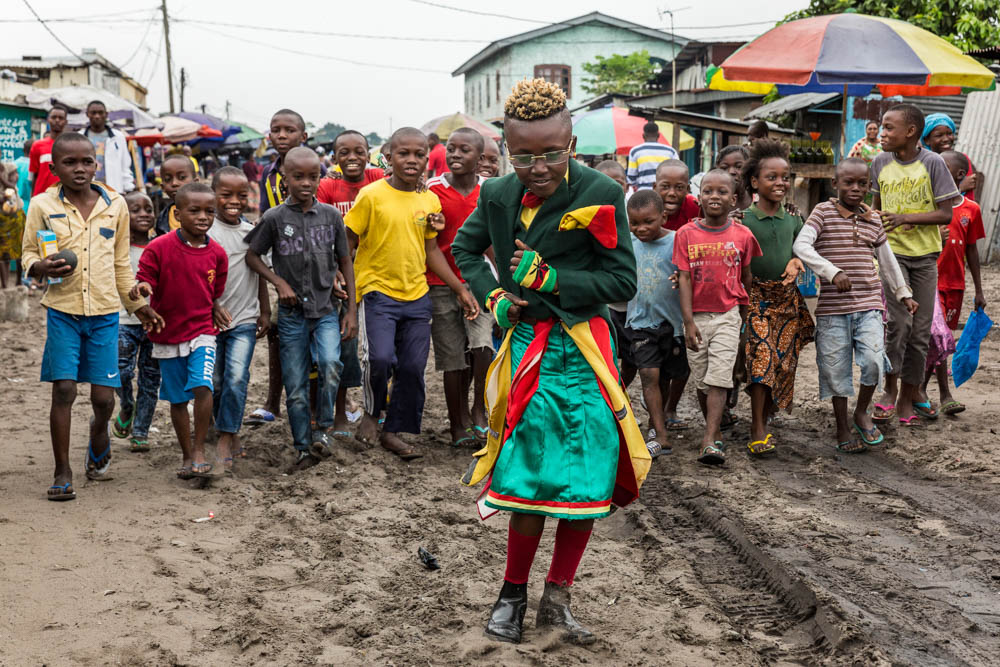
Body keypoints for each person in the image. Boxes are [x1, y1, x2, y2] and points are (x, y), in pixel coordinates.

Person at [452, 78, 649, 646]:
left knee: (587, 477)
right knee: (529, 473)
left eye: (550, 154)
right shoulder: (496, 195)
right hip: (530, 348)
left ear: (571, 142)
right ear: (508, 149)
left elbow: (623, 281)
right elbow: (465, 250)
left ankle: (557, 599)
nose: (538, 167)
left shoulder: (601, 192)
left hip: (586, 347)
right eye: (524, 155)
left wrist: (552, 277)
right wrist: (493, 297)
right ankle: (510, 596)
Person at [21, 133, 161, 500]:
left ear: (95, 164)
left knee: (104, 400)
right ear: (54, 169)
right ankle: (62, 470)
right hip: (62, 311)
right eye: (70, 163)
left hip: (104, 314)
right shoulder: (40, 205)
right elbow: (27, 255)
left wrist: (138, 305)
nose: (79, 169)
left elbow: (119, 265)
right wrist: (40, 266)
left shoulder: (115, 204)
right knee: (64, 389)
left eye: (86, 162)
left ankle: (98, 440)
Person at [346, 127, 478, 460]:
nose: (412, 160)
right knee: (379, 360)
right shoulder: (371, 195)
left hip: (417, 295)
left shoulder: (428, 200)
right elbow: (347, 243)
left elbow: (431, 250)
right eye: (403, 154)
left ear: (427, 159)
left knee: (412, 366)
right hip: (377, 292)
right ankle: (371, 414)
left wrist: (458, 287)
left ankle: (393, 430)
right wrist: (343, 284)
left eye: (419, 155)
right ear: (388, 157)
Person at [794, 157, 917, 452]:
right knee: (836, 370)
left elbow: (887, 261)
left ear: (869, 186)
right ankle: (841, 426)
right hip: (833, 309)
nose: (855, 188)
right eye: (848, 182)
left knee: (874, 361)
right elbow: (801, 246)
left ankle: (861, 411)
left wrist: (903, 292)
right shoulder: (822, 212)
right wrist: (831, 272)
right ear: (835, 184)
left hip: (870, 303)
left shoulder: (873, 219)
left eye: (862, 183)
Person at [247, 147, 357, 467]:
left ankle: (322, 428)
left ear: (320, 178)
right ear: (285, 179)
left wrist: (350, 308)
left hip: (325, 310)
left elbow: (345, 260)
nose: (306, 183)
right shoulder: (274, 218)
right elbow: (253, 255)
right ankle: (302, 446)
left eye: (313, 176)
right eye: (298, 177)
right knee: (294, 384)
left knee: (330, 363)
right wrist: (278, 282)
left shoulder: (331, 216)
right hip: (292, 316)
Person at [132, 183, 229, 479]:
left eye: (209, 211)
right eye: (195, 210)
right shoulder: (159, 247)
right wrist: (145, 288)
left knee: (202, 386)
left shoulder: (218, 254)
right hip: (167, 333)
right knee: (177, 399)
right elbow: (143, 278)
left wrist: (214, 306)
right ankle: (187, 455)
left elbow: (214, 291)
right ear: (177, 213)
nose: (203, 217)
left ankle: (200, 448)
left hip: (202, 331)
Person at [870, 104, 959, 426]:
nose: (883, 133)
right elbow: (875, 210)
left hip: (925, 258)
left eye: (889, 127)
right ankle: (889, 390)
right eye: (882, 126)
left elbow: (946, 214)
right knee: (897, 327)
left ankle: (910, 394)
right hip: (891, 257)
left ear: (910, 132)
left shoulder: (933, 163)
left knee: (920, 331)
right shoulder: (879, 162)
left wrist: (906, 217)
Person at [674, 169, 761, 465]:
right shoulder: (686, 234)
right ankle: (716, 424)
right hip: (695, 317)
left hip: (727, 314)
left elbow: (747, 275)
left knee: (719, 378)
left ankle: (710, 439)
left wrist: (743, 312)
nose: (714, 196)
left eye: (722, 192)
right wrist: (687, 322)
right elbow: (684, 279)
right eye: (708, 191)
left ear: (734, 199)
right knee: (701, 380)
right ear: (699, 198)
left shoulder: (743, 234)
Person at [739, 139, 813, 456]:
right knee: (762, 357)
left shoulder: (795, 218)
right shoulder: (741, 219)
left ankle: (765, 414)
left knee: (783, 363)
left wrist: (799, 262)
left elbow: (804, 250)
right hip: (755, 299)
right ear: (755, 182)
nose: (780, 183)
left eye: (785, 177)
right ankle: (758, 429)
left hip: (787, 299)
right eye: (772, 177)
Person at [427, 128, 495, 446]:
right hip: (440, 283)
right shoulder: (432, 191)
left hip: (480, 280)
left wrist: (502, 284)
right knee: (452, 356)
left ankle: (478, 409)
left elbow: (493, 241)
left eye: (463, 150)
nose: (455, 155)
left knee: (482, 347)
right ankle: (457, 424)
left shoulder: (490, 192)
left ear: (480, 159)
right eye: (450, 149)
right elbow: (428, 245)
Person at [316, 130, 384, 436]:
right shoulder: (328, 186)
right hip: (336, 276)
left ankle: (368, 406)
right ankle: (339, 410)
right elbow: (320, 230)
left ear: (369, 154)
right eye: (344, 153)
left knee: (371, 348)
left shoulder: (379, 179)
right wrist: (333, 272)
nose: (352, 158)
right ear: (334, 158)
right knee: (344, 344)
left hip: (372, 274)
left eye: (359, 152)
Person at [209, 167, 271, 471]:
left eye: (241, 195)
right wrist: (212, 304)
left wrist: (266, 310)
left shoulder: (251, 232)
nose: (234, 201)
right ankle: (227, 430)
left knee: (236, 377)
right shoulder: (205, 232)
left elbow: (258, 271)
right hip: (210, 321)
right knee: (217, 381)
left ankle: (226, 435)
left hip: (245, 318)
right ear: (213, 196)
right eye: (226, 195)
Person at [922, 150, 987, 416]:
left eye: (943, 168)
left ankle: (923, 392)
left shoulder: (971, 209)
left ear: (959, 175)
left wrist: (979, 290)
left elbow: (972, 250)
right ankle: (941, 393)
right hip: (928, 282)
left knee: (944, 339)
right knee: (935, 338)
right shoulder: (928, 207)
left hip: (955, 285)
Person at [624, 189, 687, 457]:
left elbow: (689, 275)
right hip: (640, 323)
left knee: (669, 376)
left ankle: (655, 423)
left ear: (663, 216)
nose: (640, 228)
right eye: (634, 223)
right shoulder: (627, 245)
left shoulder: (678, 241)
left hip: (673, 326)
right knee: (648, 375)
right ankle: (661, 436)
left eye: (648, 222)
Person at [257, 109, 309, 422]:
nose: (281, 135)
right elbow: (266, 216)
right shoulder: (269, 175)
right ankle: (273, 401)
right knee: (277, 331)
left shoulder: (319, 170)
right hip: (283, 261)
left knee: (322, 337)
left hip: (316, 262)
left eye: (289, 130)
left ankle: (335, 406)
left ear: (303, 137)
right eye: (276, 130)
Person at [112, 191, 162, 453]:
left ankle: (141, 431)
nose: (144, 214)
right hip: (123, 319)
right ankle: (127, 405)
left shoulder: (161, 245)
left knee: (151, 379)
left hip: (155, 322)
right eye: (136, 209)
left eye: (149, 209)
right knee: (120, 371)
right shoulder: (116, 248)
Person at [921, 113, 981, 201]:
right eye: (939, 135)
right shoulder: (923, 163)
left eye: (949, 133)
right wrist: (960, 188)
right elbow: (924, 198)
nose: (946, 139)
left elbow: (969, 197)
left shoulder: (961, 159)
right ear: (926, 140)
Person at [81, 100, 134, 193]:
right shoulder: (79, 137)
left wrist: (128, 188)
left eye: (100, 113)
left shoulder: (118, 137)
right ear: (87, 114)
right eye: (93, 113)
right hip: (87, 191)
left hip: (113, 190)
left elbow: (125, 166)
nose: (97, 116)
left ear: (106, 114)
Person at [626, 120, 678, 191]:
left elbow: (631, 178)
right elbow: (677, 173)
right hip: (664, 192)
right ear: (658, 135)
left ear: (643, 136)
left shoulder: (635, 151)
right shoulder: (671, 151)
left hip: (643, 191)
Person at [29, 106, 68, 196]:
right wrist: (33, 199)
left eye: (61, 118)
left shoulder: (71, 146)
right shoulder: (37, 146)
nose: (57, 120)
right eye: (54, 117)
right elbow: (34, 176)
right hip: (42, 196)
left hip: (64, 198)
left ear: (66, 122)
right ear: (48, 120)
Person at [154, 154, 197, 236]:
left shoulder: (208, 212)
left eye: (182, 177)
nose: (174, 183)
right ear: (163, 187)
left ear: (195, 182)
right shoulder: (163, 218)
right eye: (168, 179)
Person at [655, 159, 700, 231]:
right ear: (655, 187)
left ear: (687, 189)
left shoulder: (694, 207)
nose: (672, 193)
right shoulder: (646, 208)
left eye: (679, 187)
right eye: (665, 187)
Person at [715, 145, 752, 212]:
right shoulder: (711, 202)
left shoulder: (759, 202)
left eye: (738, 167)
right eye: (724, 168)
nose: (731, 172)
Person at [15, 139, 33, 214]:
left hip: (16, 204)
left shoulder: (14, 164)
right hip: (31, 206)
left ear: (23, 150)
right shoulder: (34, 166)